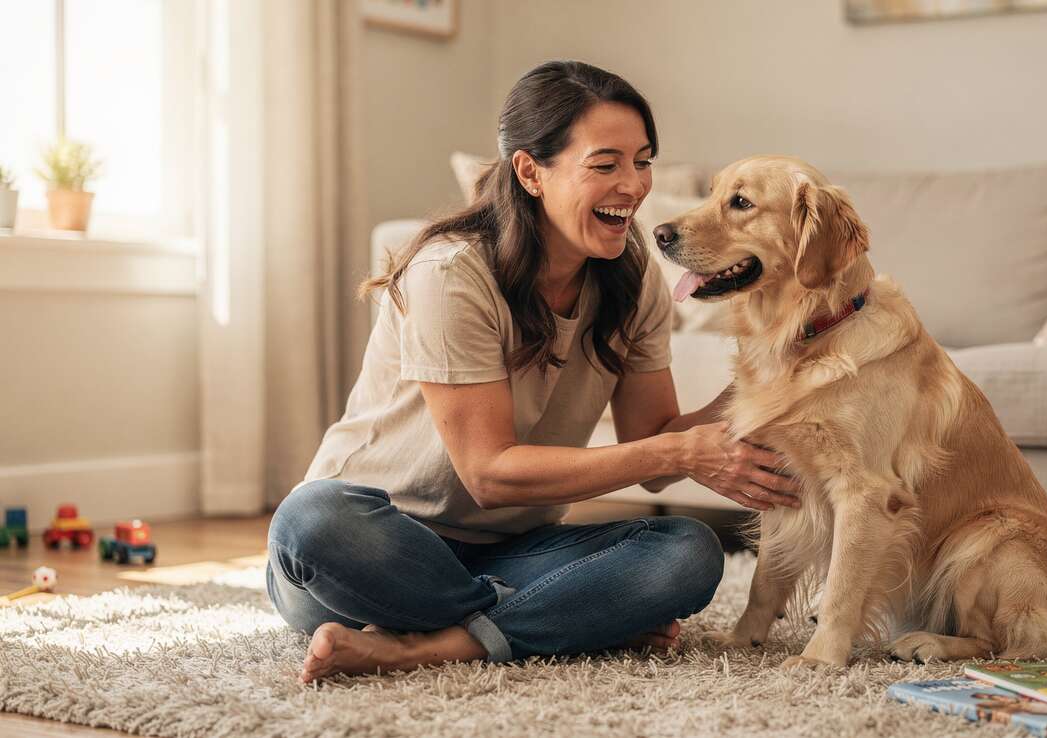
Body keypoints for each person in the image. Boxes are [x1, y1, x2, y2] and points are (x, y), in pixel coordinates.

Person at [266, 60, 800, 683]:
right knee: (310, 520)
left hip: (512, 553)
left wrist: (769, 367)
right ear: (530, 172)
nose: (633, 185)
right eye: (606, 164)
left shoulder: (634, 281)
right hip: (375, 548)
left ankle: (427, 645)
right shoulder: (451, 274)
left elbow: (654, 438)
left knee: (685, 553)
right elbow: (490, 474)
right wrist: (679, 459)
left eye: (643, 160)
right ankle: (548, 622)